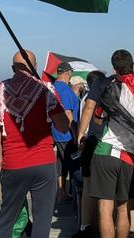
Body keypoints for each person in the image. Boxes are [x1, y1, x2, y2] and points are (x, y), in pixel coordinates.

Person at [76, 50, 134, 238]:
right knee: (123, 209)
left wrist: (81, 133)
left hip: (107, 151)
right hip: (130, 156)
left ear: (114, 69)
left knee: (105, 209)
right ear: (133, 66)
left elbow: (97, 119)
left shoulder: (112, 89)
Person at [0, 50, 69, 238]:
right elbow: (63, 127)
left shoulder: (0, 91)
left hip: (13, 163)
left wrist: (1, 165)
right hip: (43, 163)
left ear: (12, 68)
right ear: (35, 67)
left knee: (6, 219)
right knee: (42, 220)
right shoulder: (45, 90)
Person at [73, 70, 106, 238]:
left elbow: (81, 123)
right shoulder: (103, 98)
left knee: (87, 186)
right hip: (101, 145)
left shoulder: (85, 100)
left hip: (88, 145)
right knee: (102, 189)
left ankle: (86, 226)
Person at [53, 62, 80, 202]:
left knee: (61, 164)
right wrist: (76, 136)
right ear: (67, 73)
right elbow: (68, 114)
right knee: (74, 165)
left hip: (56, 133)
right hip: (67, 135)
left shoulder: (53, 87)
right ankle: (75, 196)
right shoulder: (65, 90)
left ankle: (61, 192)